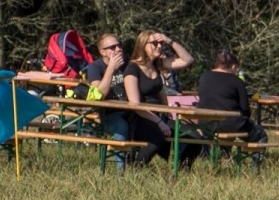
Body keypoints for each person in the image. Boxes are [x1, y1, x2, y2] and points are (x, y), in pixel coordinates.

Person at [122, 30, 196, 166]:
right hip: (140, 118)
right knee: (158, 138)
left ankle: (182, 169)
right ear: (143, 45)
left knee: (194, 136)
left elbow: (188, 60)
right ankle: (136, 167)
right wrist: (159, 122)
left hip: (159, 116)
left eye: (161, 43)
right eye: (154, 43)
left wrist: (169, 41)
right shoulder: (132, 69)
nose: (159, 46)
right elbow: (135, 105)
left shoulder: (157, 64)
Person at [196, 48, 268, 145]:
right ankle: (256, 154)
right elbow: (245, 109)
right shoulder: (237, 81)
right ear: (233, 66)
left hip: (205, 123)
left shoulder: (204, 77)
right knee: (261, 135)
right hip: (231, 123)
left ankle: (214, 152)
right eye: (236, 69)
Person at [84, 33, 132, 169]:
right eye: (112, 47)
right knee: (121, 126)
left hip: (133, 110)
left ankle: (139, 164)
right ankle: (120, 173)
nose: (118, 49)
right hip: (109, 115)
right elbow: (99, 95)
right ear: (103, 52)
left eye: (119, 45)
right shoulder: (95, 67)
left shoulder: (129, 64)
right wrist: (111, 68)